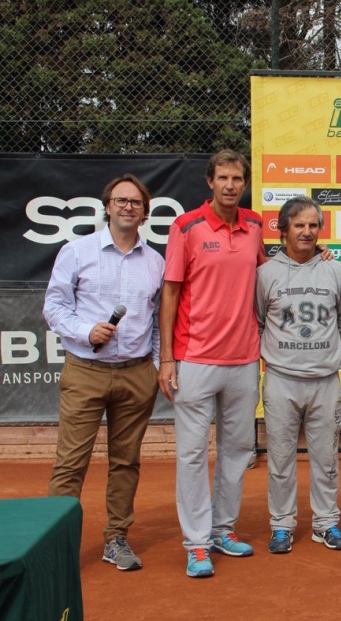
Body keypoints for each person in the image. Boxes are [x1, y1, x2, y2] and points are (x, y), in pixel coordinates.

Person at [44, 174, 164, 572]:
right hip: (85, 370)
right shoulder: (76, 252)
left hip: (136, 374)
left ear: (145, 211)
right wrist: (85, 330)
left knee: (126, 462)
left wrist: (158, 367)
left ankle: (116, 539)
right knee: (70, 464)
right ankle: (54, 547)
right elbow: (55, 307)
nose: (128, 207)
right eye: (120, 200)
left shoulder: (156, 262)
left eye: (135, 202)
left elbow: (161, 321)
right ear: (107, 206)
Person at [158, 150, 266, 577]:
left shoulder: (255, 224)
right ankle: (197, 543)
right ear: (209, 181)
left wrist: (320, 259)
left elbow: (268, 276)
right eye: (222, 177)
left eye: (237, 178)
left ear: (244, 183)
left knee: (238, 450)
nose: (229, 185)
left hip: (243, 359)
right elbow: (170, 293)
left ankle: (222, 528)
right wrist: (167, 357)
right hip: (194, 357)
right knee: (191, 454)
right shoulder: (185, 226)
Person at [255, 196, 341, 554]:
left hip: (325, 381)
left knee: (326, 460)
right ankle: (281, 525)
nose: (307, 232)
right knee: (280, 460)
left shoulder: (335, 270)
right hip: (281, 380)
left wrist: (321, 351)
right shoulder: (265, 273)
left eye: (313, 225)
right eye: (299, 225)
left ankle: (325, 523)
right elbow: (260, 320)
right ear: (283, 230)